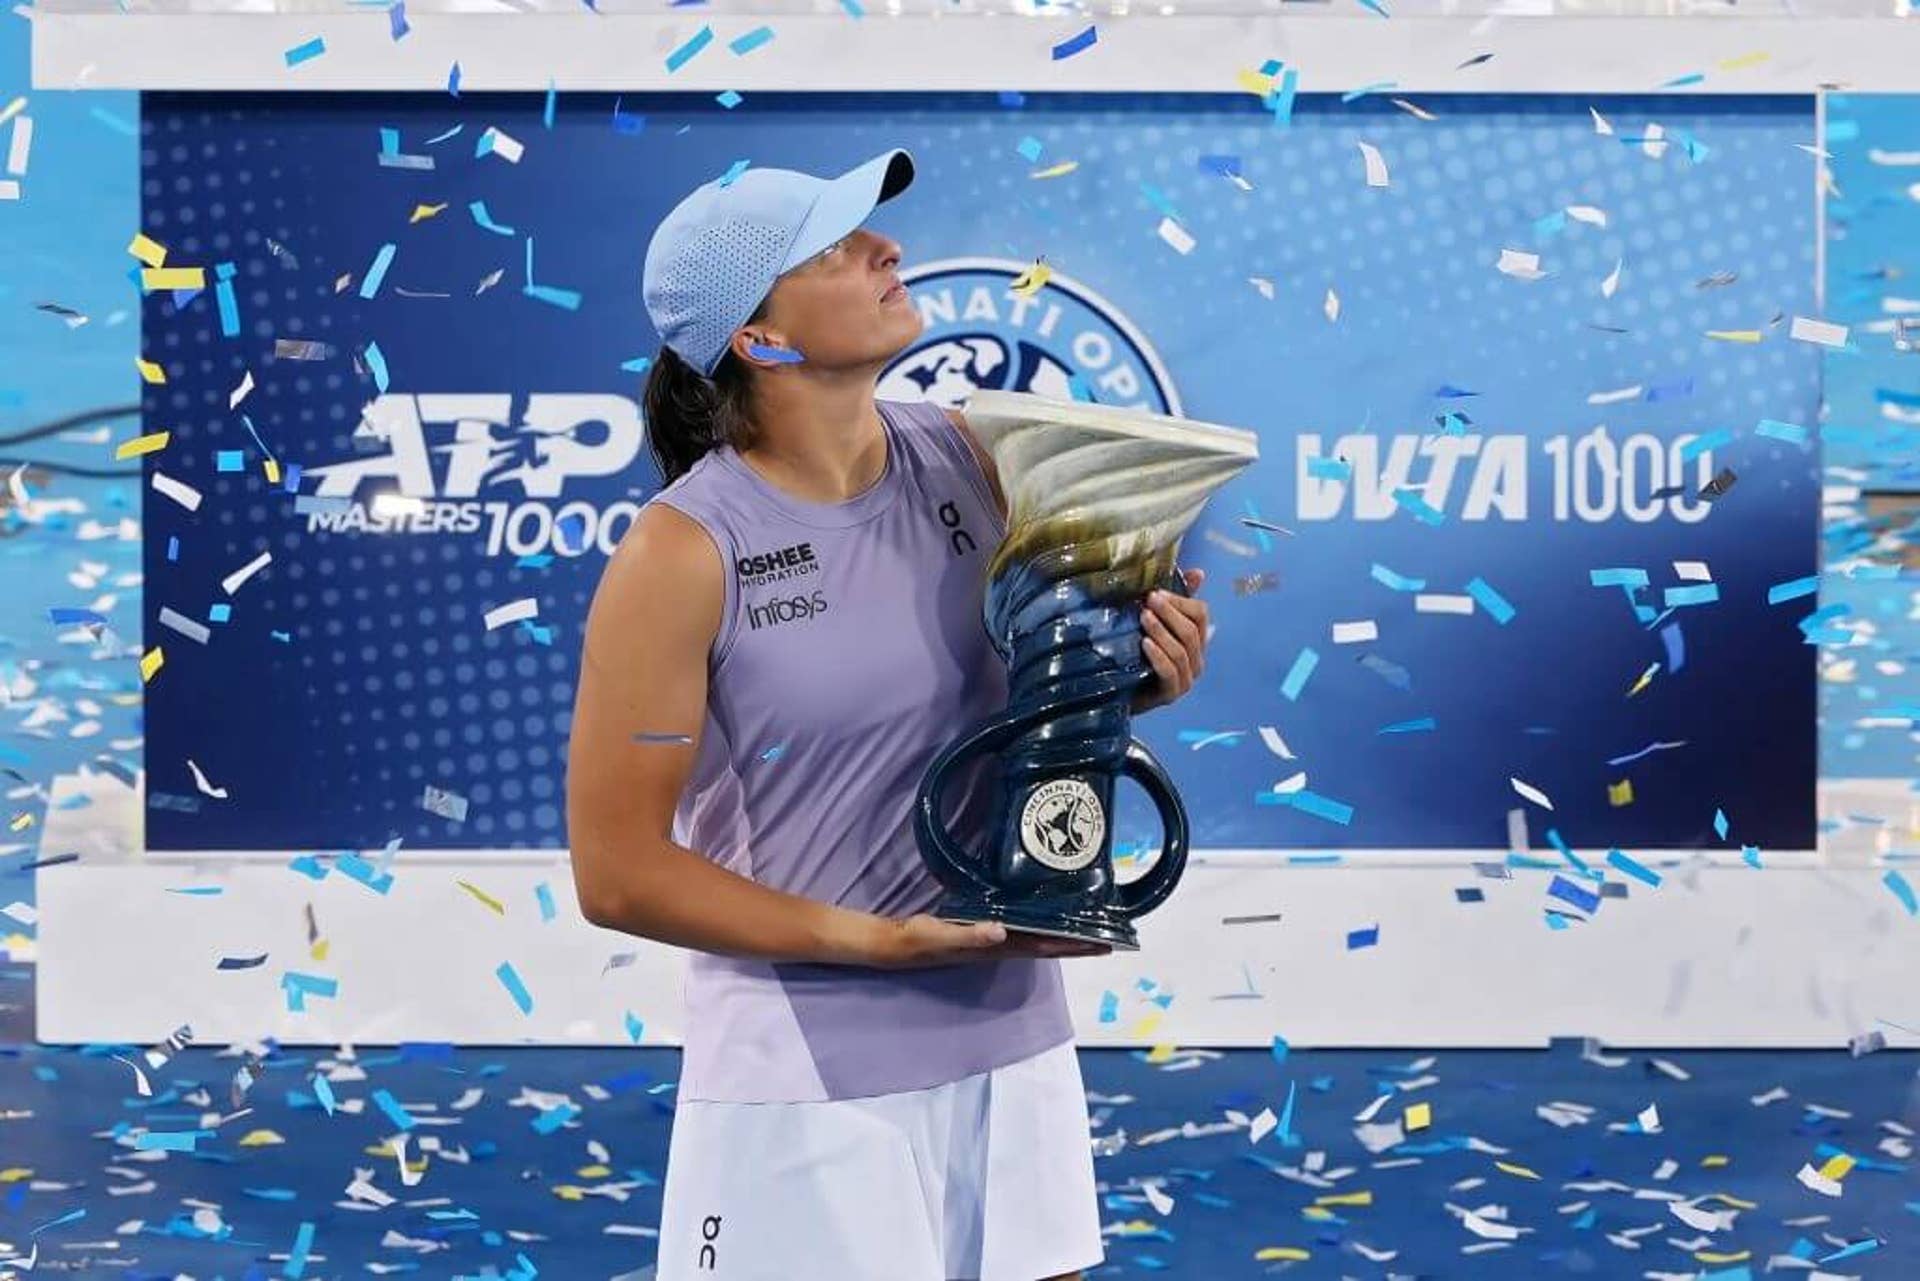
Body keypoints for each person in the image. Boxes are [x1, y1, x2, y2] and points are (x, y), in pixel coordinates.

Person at [565, 147, 1213, 1281]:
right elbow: (616, 872)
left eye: (871, 231)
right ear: (760, 340)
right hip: (805, 1071)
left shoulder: (978, 455)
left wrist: (1129, 680)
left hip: (1012, 1029)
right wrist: (876, 944)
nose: (885, 250)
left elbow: (1022, 716)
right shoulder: (677, 553)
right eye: (833, 248)